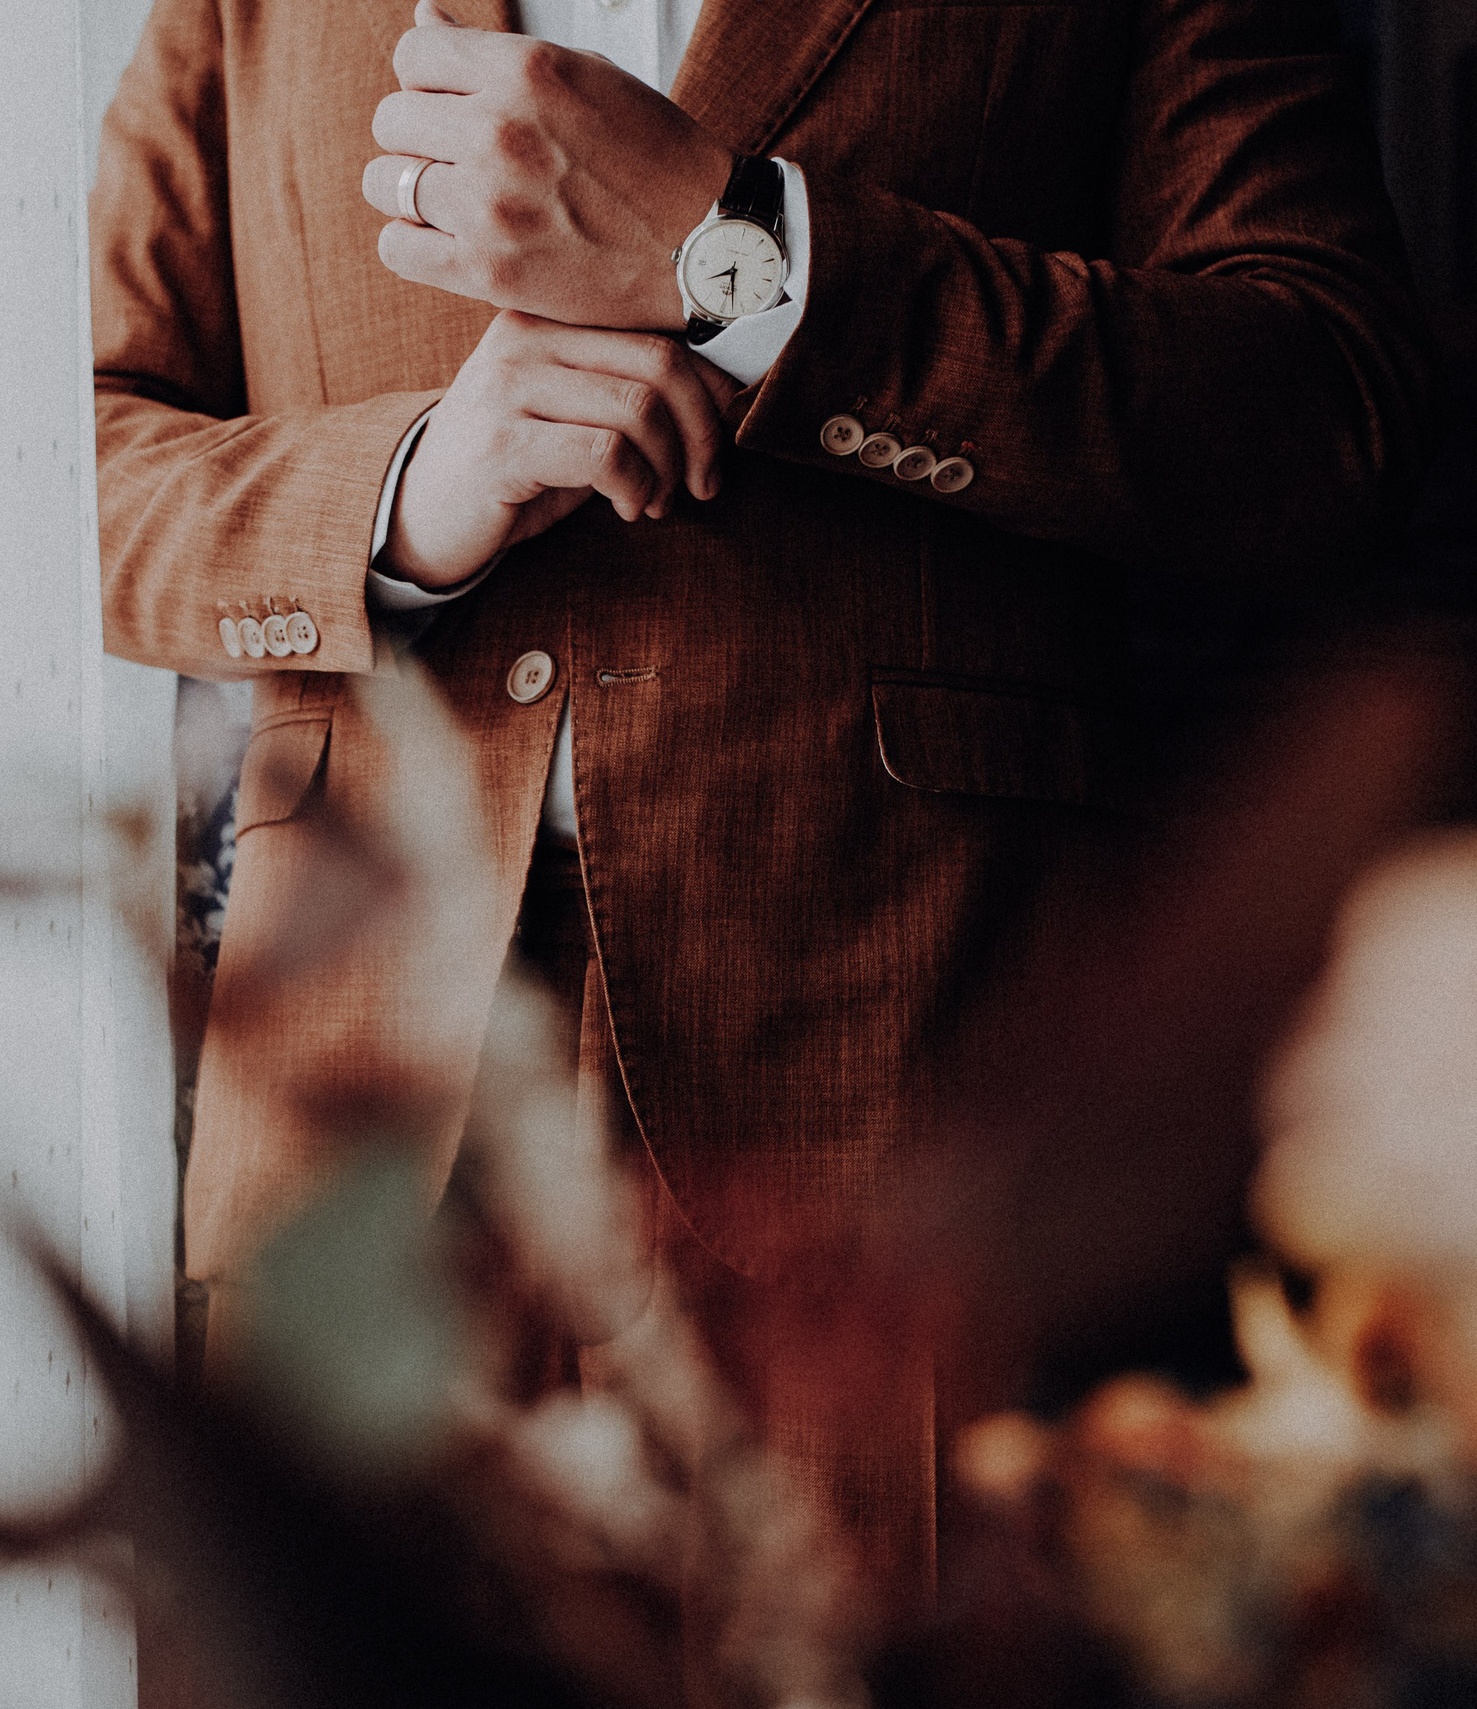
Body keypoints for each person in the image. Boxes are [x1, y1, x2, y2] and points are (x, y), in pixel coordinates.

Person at [89, 0, 1433, 1635]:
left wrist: (748, 260)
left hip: (900, 1096)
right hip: (360, 1121)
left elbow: (1326, 418)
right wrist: (411, 488)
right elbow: (72, 451)